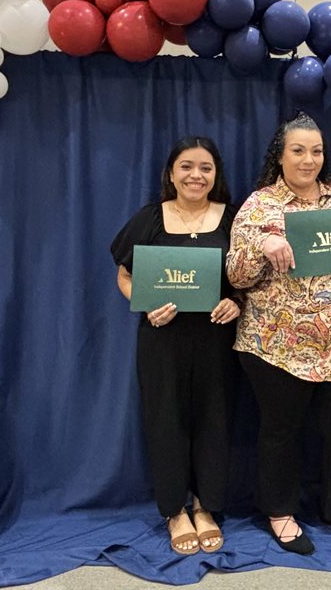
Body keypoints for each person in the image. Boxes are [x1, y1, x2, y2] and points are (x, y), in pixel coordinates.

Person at [226, 111, 331, 555]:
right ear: (279, 156)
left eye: (316, 151)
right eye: (298, 150)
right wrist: (263, 245)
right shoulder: (259, 206)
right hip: (277, 348)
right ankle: (280, 513)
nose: (308, 159)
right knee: (282, 431)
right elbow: (236, 276)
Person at [110, 136, 241, 556]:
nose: (195, 175)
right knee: (165, 422)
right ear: (171, 173)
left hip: (218, 341)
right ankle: (174, 511)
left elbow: (252, 280)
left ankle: (206, 507)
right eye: (186, 166)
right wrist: (145, 305)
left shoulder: (235, 220)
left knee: (214, 422)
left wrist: (235, 303)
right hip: (162, 339)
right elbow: (124, 276)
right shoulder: (151, 217)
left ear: (215, 174)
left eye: (205, 167)